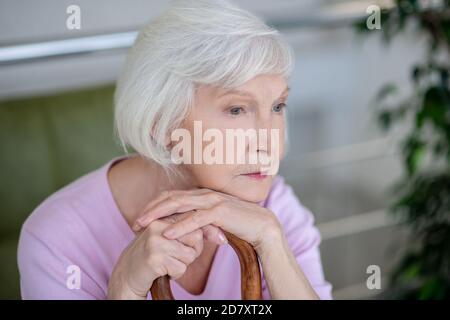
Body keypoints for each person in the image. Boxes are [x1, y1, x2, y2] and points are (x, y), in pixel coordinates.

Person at [17, 0, 333, 300]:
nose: (270, 141)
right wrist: (126, 288)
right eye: (237, 110)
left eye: (278, 105)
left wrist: (272, 243)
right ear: (162, 121)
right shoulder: (57, 239)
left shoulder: (274, 205)